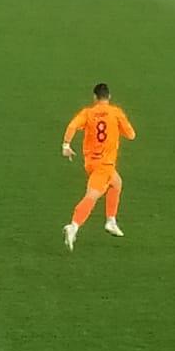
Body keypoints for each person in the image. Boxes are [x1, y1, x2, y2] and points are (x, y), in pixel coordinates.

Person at [61, 82, 137, 249]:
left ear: (95, 98)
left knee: (117, 183)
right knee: (92, 195)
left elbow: (72, 125)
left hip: (91, 162)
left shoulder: (88, 113)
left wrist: (66, 145)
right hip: (105, 165)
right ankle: (73, 226)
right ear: (108, 97)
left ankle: (111, 220)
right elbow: (131, 135)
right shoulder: (116, 113)